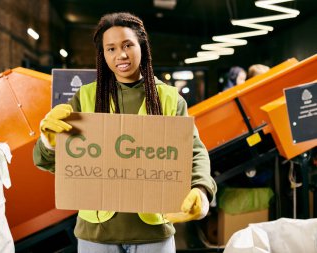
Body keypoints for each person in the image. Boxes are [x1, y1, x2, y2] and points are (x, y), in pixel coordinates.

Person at [33, 12, 217, 253]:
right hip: (96, 234)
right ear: (103, 55)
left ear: (142, 45)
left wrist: (201, 189)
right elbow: (47, 162)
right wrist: (48, 142)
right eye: (110, 49)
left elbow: (194, 152)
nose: (120, 54)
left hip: (152, 232)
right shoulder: (86, 97)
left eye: (127, 45)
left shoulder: (169, 99)